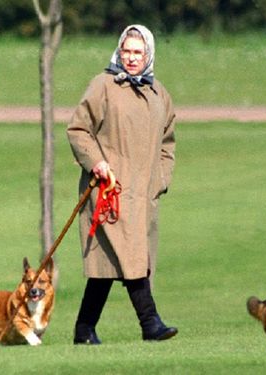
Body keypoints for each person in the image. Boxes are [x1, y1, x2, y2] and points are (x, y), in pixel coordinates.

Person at [66, 24, 177, 344]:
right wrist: (96, 163)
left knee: (109, 266)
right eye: (126, 51)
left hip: (143, 195)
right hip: (107, 193)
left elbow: (168, 142)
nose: (131, 58)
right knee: (132, 257)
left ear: (148, 55)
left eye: (137, 52)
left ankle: (84, 329)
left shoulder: (159, 94)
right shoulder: (102, 86)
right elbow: (78, 129)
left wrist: (161, 179)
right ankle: (150, 323)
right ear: (118, 51)